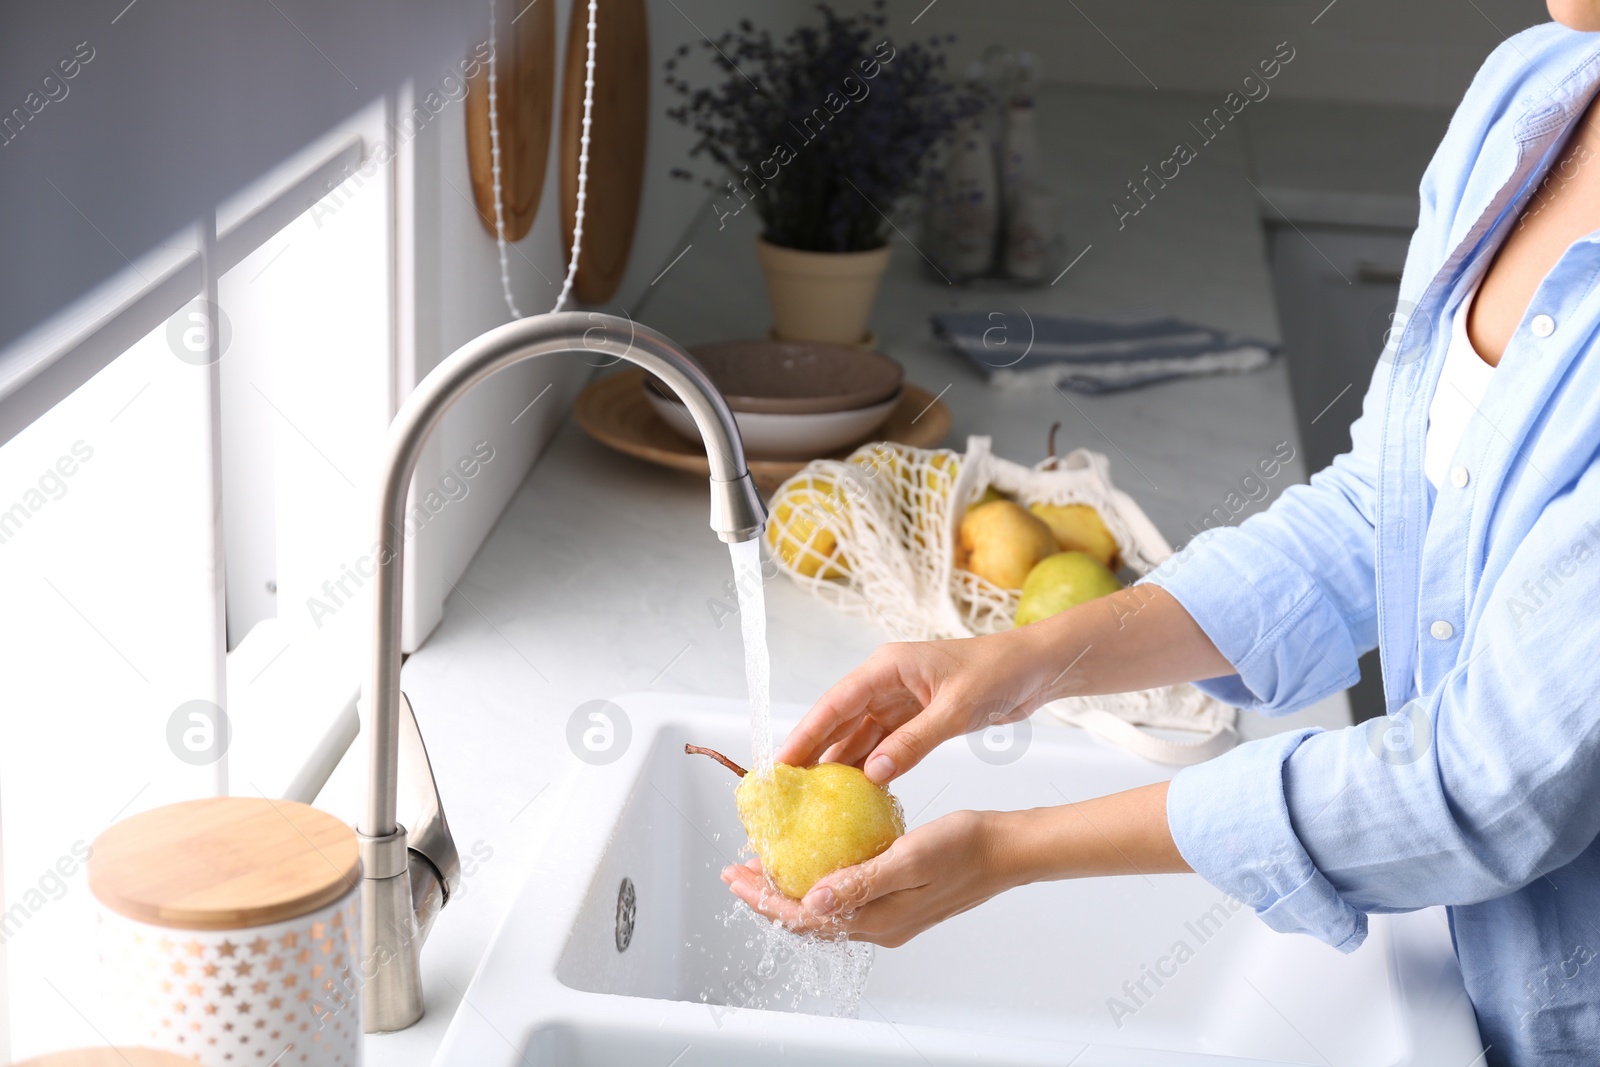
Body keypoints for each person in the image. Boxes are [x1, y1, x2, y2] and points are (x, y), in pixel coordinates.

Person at [723, 7, 1600, 1064]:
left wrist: (1006, 850)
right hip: (1475, 973)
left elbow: (1482, 786)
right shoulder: (1531, 94)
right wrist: (1021, 658)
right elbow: (1382, 509)